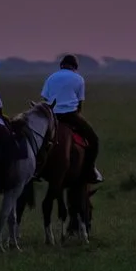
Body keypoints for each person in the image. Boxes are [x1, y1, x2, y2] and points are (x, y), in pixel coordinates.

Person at [39, 54, 102, 182]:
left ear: (61, 65)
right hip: (70, 115)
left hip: (52, 115)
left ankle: (35, 168)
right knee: (94, 140)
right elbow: (79, 103)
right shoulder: (78, 78)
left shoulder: (51, 77)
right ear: (75, 67)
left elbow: (45, 97)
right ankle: (89, 171)